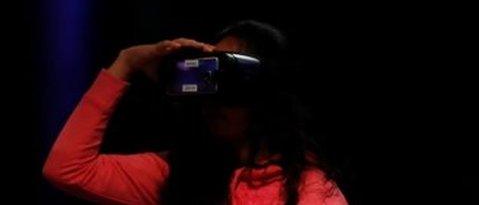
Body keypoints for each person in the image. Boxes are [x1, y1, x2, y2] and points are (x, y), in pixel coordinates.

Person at [43, 20, 347, 205]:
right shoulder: (177, 174)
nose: (212, 99)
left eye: (225, 80)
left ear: (264, 93)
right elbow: (67, 169)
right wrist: (126, 64)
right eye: (206, 78)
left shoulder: (309, 189)